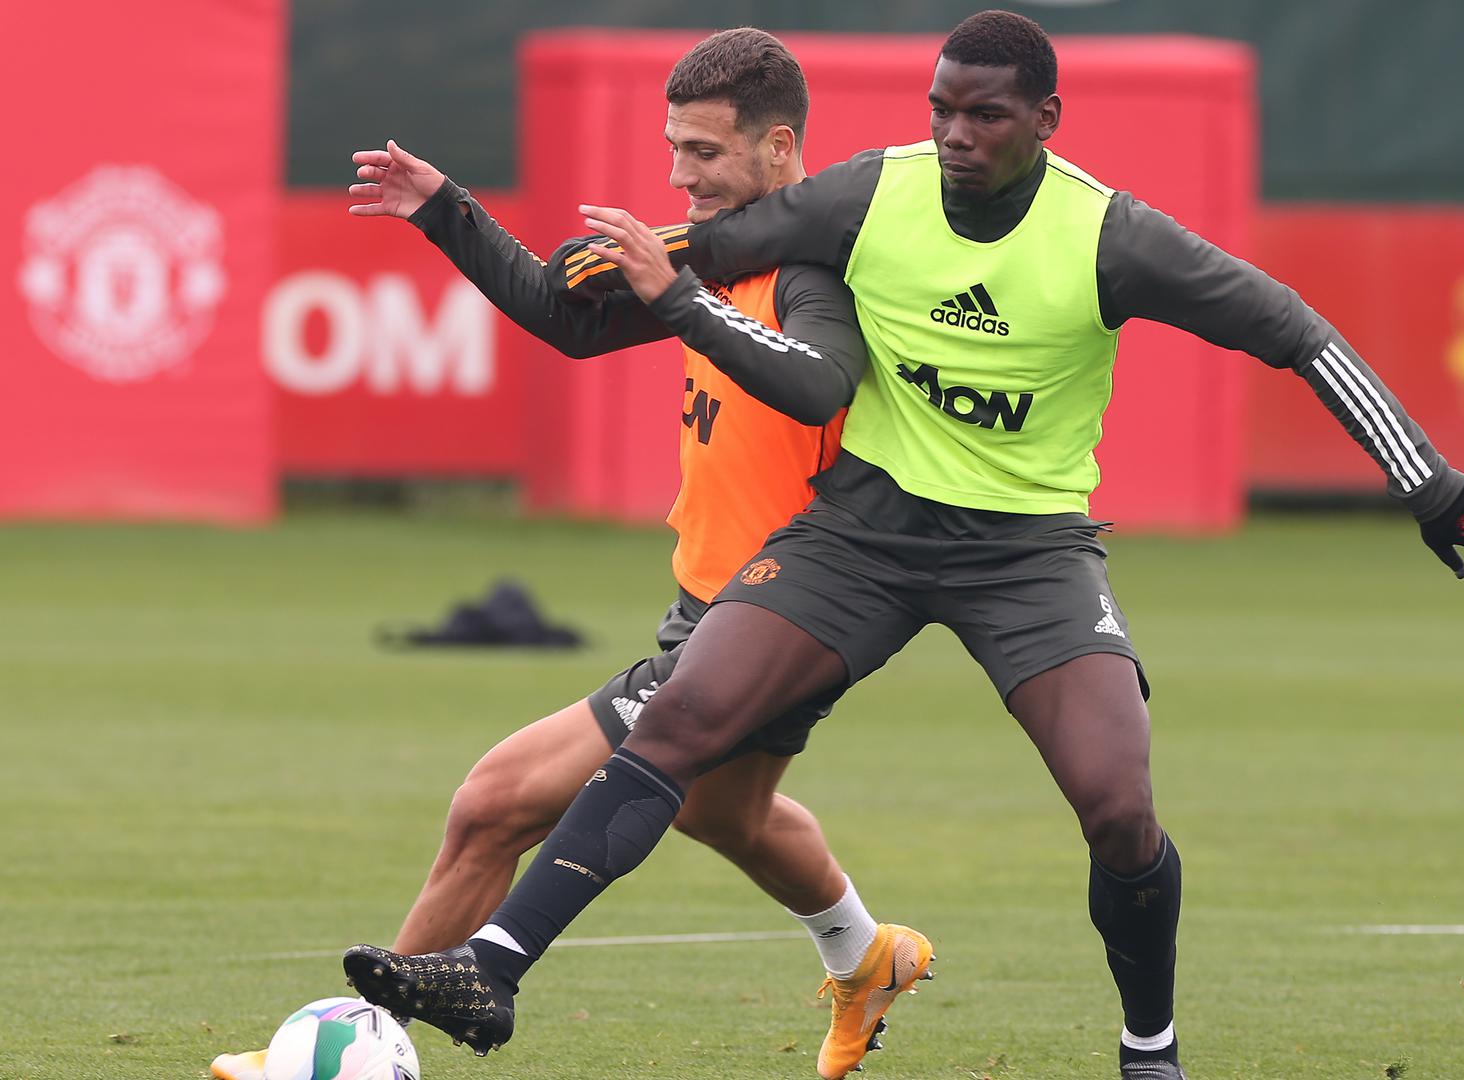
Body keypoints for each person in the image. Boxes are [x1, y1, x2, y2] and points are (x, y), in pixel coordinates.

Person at [344, 11, 1464, 1078]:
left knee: (1117, 807)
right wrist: (474, 217)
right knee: (681, 723)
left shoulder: (1107, 236)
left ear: (1043, 119)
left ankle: (1149, 1054)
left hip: (1027, 555)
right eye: (940, 109)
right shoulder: (869, 194)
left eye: (984, 114)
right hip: (863, 534)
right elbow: (598, 307)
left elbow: (1294, 330)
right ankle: (491, 973)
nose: (956, 133)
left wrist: (1432, 484)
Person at [215, 30, 932, 1080]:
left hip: (772, 620)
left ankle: (361, 1045)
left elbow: (821, 382)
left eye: (703, 153)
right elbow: (568, 319)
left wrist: (672, 290)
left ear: (781, 149)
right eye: (671, 148)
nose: (678, 177)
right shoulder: (719, 250)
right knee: (724, 814)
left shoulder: (820, 273)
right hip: (712, 606)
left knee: (492, 805)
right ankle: (863, 956)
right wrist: (443, 209)